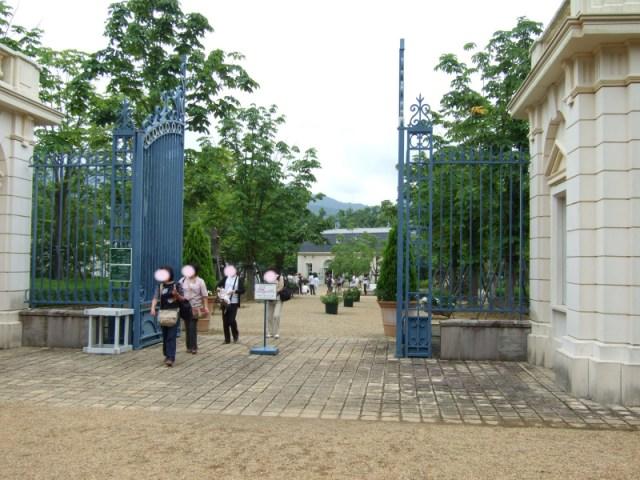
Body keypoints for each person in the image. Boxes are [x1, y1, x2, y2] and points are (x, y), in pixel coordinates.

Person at [150, 265, 193, 367]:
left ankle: (171, 357)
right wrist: (152, 308)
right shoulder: (160, 286)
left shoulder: (177, 285)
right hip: (163, 313)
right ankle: (166, 354)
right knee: (165, 336)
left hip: (174, 313)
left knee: (171, 336)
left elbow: (183, 299)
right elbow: (155, 298)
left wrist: (176, 295)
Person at [179, 264, 209, 354]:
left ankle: (194, 347)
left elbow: (205, 295)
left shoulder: (200, 281)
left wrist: (206, 307)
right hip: (185, 306)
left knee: (192, 326)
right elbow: (178, 291)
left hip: (195, 307)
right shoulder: (182, 280)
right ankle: (188, 346)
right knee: (187, 327)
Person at [216, 265, 245, 344]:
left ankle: (235, 336)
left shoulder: (238, 279)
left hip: (234, 302)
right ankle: (227, 339)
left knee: (231, 320)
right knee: (225, 321)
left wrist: (234, 291)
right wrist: (219, 289)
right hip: (225, 301)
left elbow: (243, 290)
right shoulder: (226, 278)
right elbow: (218, 285)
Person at [266, 268, 285, 339]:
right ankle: (270, 332)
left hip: (278, 299)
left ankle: (276, 332)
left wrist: (273, 292)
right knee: (269, 316)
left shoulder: (280, 277)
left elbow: (281, 287)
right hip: (270, 299)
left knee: (276, 315)